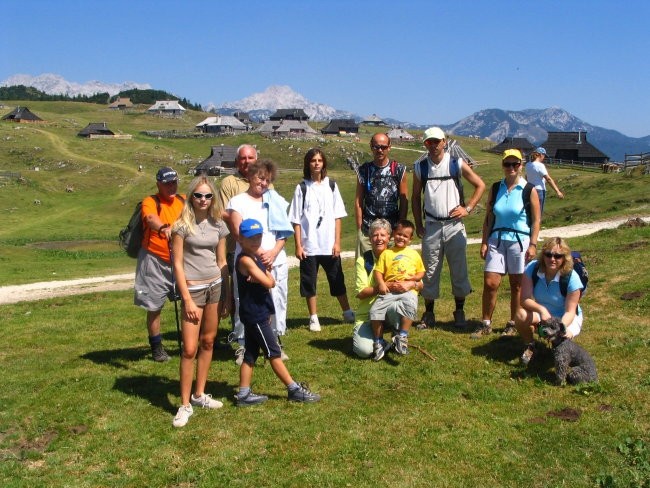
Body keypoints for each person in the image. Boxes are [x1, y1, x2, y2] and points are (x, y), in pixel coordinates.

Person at [234, 218, 320, 406]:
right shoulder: (246, 260)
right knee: (273, 352)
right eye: (251, 238)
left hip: (258, 312)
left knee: (250, 354)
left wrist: (265, 275)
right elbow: (269, 283)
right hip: (254, 315)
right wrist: (265, 276)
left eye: (258, 237)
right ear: (240, 239)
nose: (255, 241)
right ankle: (294, 389)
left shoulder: (256, 257)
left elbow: (269, 280)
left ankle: (243, 394)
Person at [412, 127, 486, 329]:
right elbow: (415, 197)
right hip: (432, 225)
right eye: (429, 142)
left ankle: (459, 310)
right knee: (429, 270)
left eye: (437, 141)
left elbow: (480, 184)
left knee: (459, 269)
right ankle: (429, 313)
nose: (433, 145)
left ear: (444, 142)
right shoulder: (420, 168)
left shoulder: (456, 163)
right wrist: (418, 224)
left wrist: (467, 208)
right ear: (425, 144)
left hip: (454, 225)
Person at [170, 176, 230, 428]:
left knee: (208, 342)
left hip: (214, 287)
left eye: (208, 196)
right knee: (189, 349)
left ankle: (199, 394)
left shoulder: (219, 225)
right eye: (198, 195)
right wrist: (187, 300)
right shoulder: (182, 226)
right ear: (190, 197)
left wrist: (226, 296)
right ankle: (184, 404)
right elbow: (177, 265)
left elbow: (222, 261)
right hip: (193, 291)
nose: (203, 200)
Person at [227, 159, 292, 362]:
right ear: (250, 176)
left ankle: (275, 341)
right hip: (248, 261)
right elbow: (238, 231)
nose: (263, 183)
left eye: (267, 180)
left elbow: (283, 231)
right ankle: (243, 343)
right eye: (260, 178)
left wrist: (273, 252)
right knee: (245, 302)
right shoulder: (237, 202)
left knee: (277, 300)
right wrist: (259, 253)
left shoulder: (275, 199)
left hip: (275, 258)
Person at [474, 149, 541, 339]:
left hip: (520, 241)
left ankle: (513, 322)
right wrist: (485, 241)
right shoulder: (496, 188)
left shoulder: (529, 190)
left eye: (515, 164)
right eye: (507, 164)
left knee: (517, 285)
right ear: (502, 165)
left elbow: (536, 221)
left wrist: (533, 244)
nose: (511, 168)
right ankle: (485, 322)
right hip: (496, 239)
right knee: (490, 282)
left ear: (521, 165)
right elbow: (489, 217)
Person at [288, 148, 354, 332]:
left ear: (324, 163)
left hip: (328, 244)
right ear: (307, 164)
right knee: (309, 282)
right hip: (309, 245)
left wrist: (337, 242)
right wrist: (298, 245)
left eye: (319, 160)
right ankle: (313, 317)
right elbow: (296, 219)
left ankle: (347, 311)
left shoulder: (331, 185)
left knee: (337, 278)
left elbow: (338, 216)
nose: (316, 163)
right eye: (313, 160)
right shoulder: (301, 188)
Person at [133, 167, 185, 362]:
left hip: (179, 259)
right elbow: (150, 218)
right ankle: (156, 347)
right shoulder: (151, 201)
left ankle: (189, 340)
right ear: (159, 185)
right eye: (167, 183)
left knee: (189, 300)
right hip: (154, 259)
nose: (171, 186)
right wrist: (164, 228)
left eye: (174, 182)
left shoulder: (183, 200)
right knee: (154, 305)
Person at [217, 144, 259, 361]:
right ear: (237, 161)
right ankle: (240, 339)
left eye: (250, 157)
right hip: (237, 246)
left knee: (262, 291)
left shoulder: (262, 180)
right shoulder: (229, 183)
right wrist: (242, 232)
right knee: (239, 295)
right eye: (242, 158)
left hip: (260, 247)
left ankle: (265, 335)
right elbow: (225, 212)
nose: (247, 161)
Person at [514, 237, 584, 365]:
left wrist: (559, 328)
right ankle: (531, 346)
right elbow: (524, 300)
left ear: (564, 258)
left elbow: (570, 312)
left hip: (566, 317)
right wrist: (542, 310)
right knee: (520, 315)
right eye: (548, 254)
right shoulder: (532, 268)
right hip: (544, 314)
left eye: (558, 256)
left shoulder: (572, 278)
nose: (552, 259)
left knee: (563, 340)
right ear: (543, 255)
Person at [370, 220, 425, 359]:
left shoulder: (414, 254)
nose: (401, 237)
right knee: (375, 310)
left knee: (410, 306)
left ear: (410, 239)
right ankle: (378, 342)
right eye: (399, 234)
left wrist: (412, 281)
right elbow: (378, 271)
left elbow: (421, 272)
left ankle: (402, 336)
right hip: (390, 291)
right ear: (394, 234)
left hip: (408, 290)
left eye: (405, 236)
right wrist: (381, 284)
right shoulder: (387, 253)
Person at [354, 133, 408, 256]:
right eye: (376, 147)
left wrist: (400, 228)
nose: (380, 150)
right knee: (365, 269)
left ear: (389, 147)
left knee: (391, 271)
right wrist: (359, 230)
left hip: (392, 231)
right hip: (368, 230)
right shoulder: (363, 170)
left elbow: (404, 201)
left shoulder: (399, 169)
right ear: (371, 147)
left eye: (383, 147)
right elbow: (358, 201)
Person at [525, 147, 564, 215]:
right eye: (544, 155)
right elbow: (548, 179)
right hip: (539, 190)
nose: (544, 157)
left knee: (530, 212)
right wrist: (558, 191)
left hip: (529, 190)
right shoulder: (540, 165)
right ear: (540, 155)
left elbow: (526, 177)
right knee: (538, 213)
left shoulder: (528, 165)